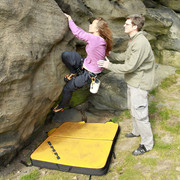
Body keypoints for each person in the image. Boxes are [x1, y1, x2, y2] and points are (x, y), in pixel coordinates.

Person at [97, 14, 155, 156]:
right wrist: (110, 55)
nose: (124, 25)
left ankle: (147, 144)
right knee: (133, 108)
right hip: (133, 81)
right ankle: (136, 131)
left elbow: (130, 66)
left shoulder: (140, 43)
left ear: (135, 26)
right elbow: (125, 56)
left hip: (140, 83)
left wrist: (108, 65)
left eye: (127, 24)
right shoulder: (134, 40)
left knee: (140, 114)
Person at [53, 13, 112, 113]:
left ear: (97, 29)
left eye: (92, 24)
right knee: (66, 55)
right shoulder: (98, 39)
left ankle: (62, 105)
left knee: (68, 88)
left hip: (88, 75)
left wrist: (70, 19)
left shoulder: (96, 39)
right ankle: (74, 72)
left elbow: (78, 33)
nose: (89, 25)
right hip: (85, 64)